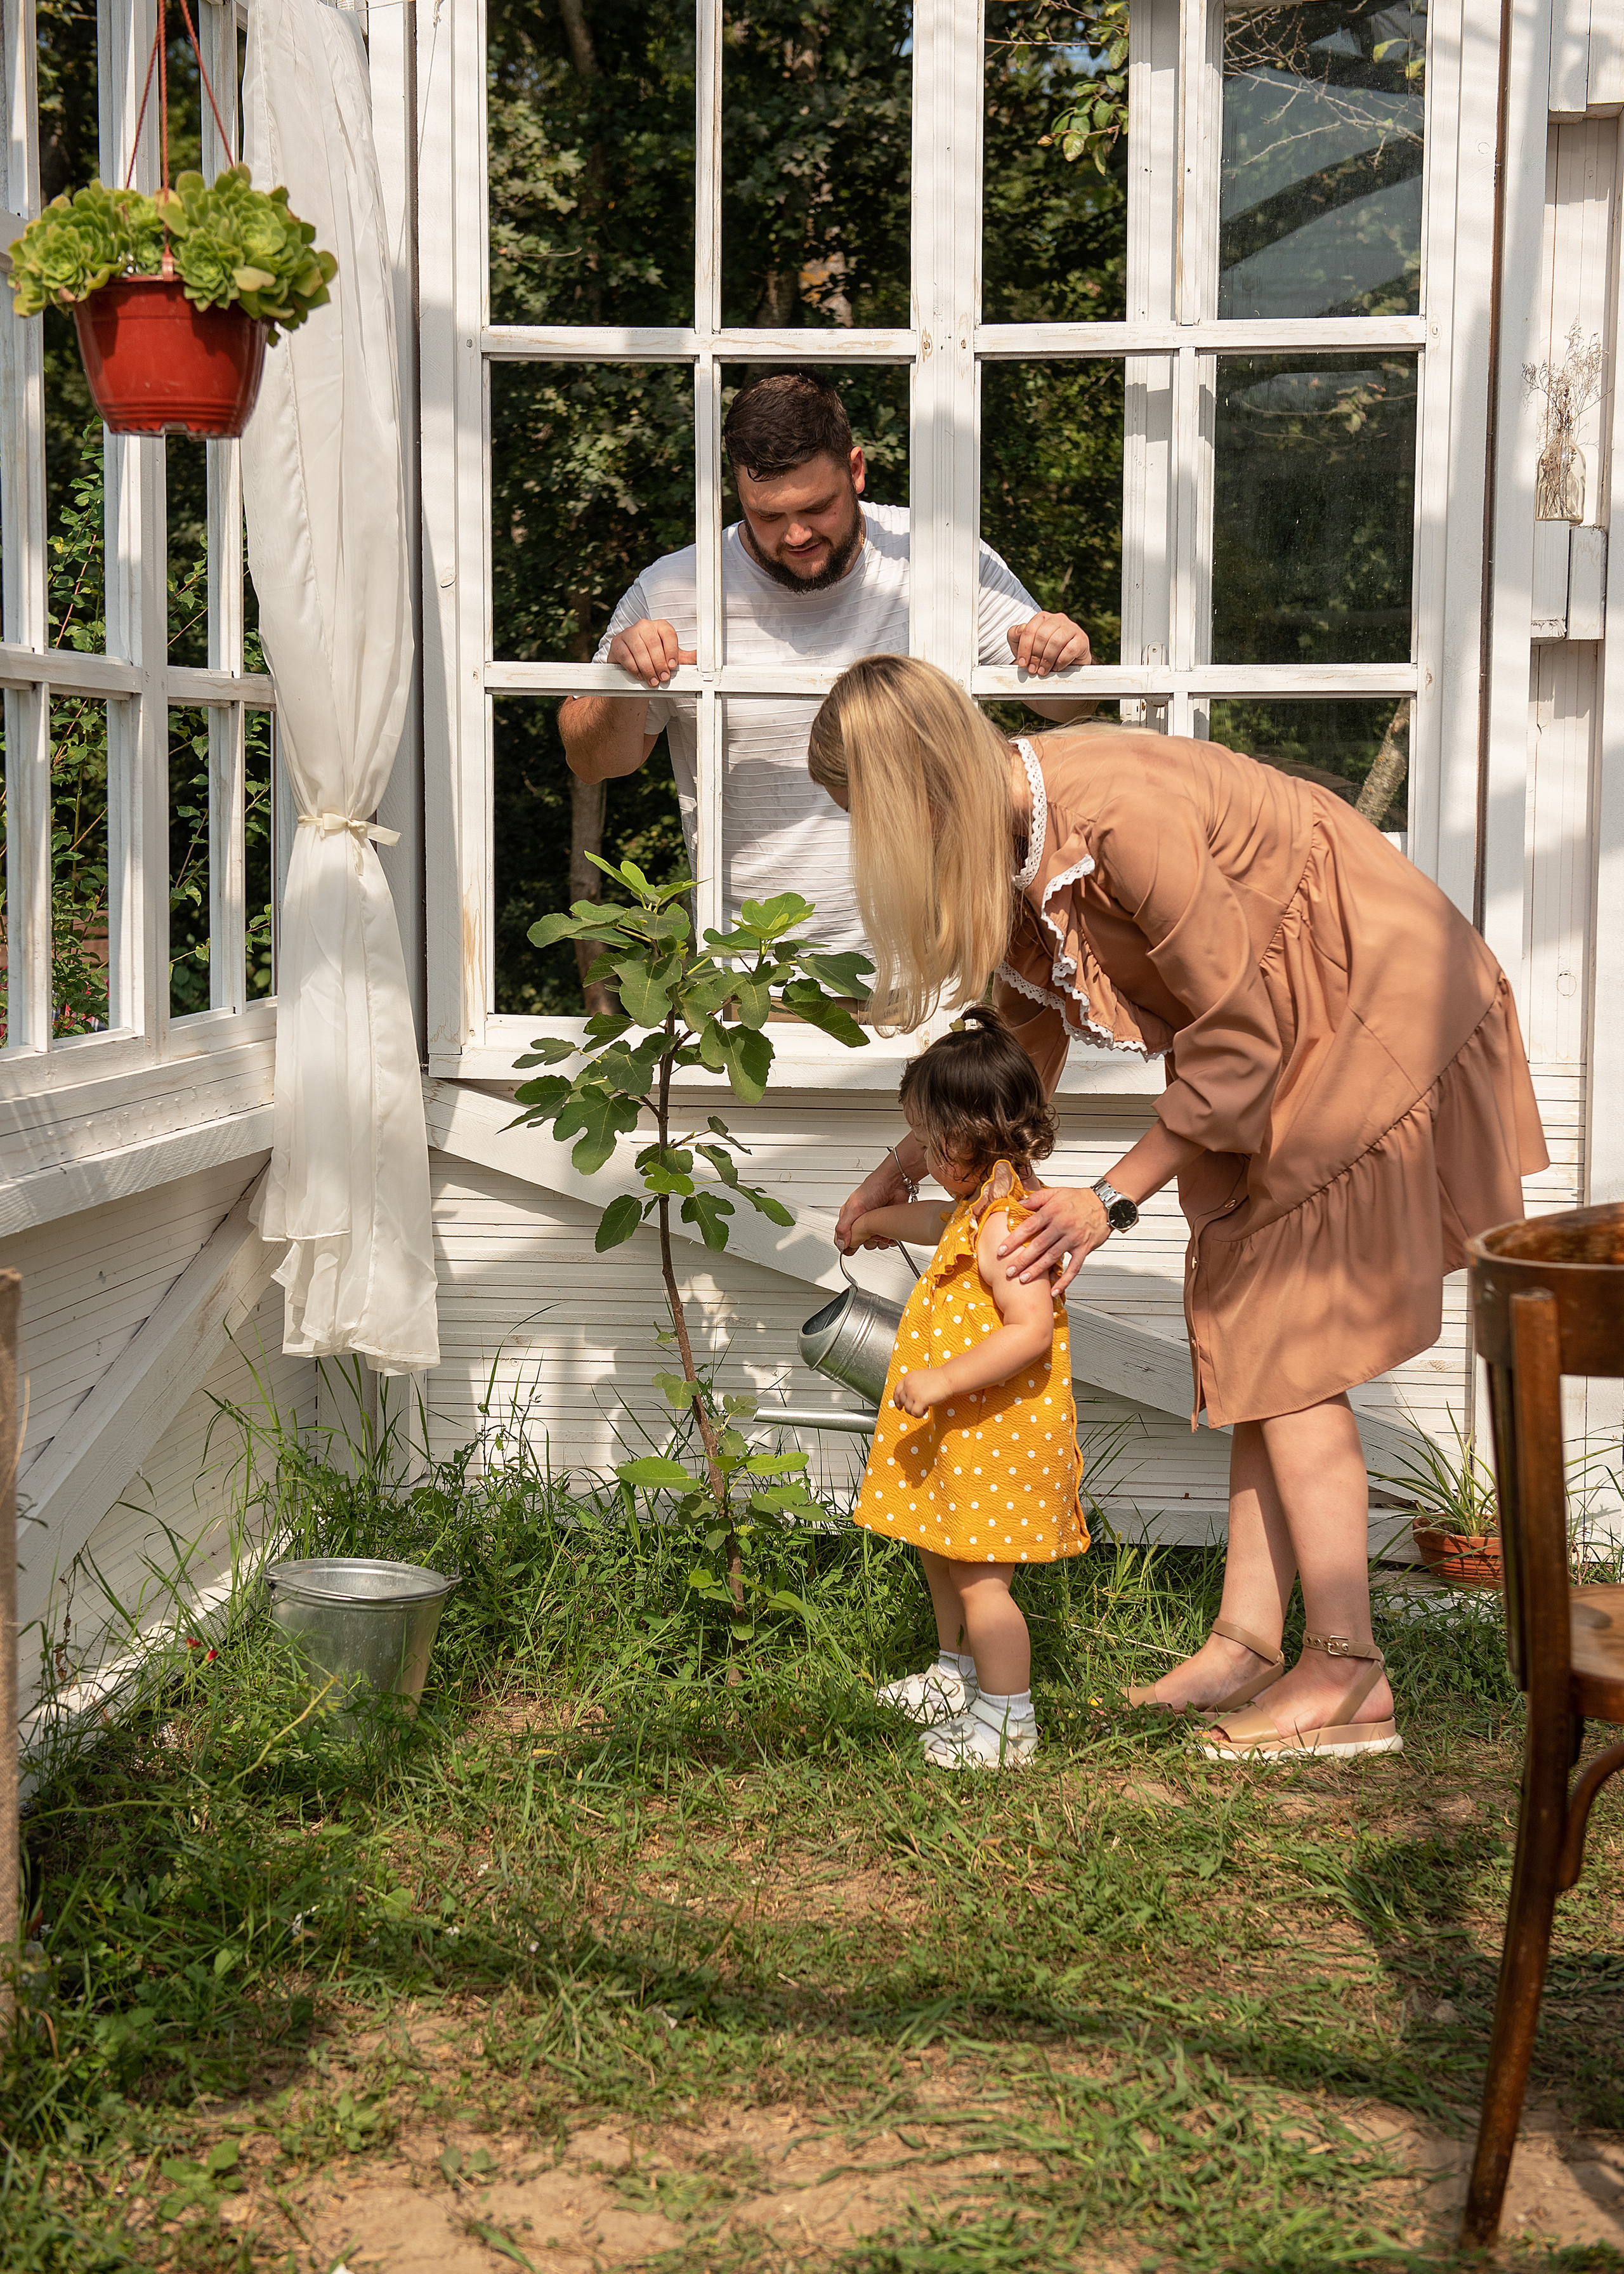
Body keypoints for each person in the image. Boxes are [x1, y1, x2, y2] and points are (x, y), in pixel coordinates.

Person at [812, 655, 1549, 1763]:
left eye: (870, 820)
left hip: (1362, 1001)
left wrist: (1112, 1196)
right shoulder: (1020, 843)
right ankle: (1250, 1641)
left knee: (1296, 1341)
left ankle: (1349, 1673)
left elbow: (1242, 1034)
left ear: (920, 791)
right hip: (1285, 1028)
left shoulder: (1117, 823)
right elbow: (1026, 1038)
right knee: (1263, 1333)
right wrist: (908, 1163)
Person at [558, 369, 1095, 956]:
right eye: (766, 516)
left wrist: (1061, 650)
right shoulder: (676, 588)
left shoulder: (938, 557)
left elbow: (1066, 705)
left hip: (946, 965)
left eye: (818, 507)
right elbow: (591, 761)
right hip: (758, 976)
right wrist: (622, 682)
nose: (794, 534)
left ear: (857, 469)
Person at [845, 1007, 1089, 1770]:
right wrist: (872, 1217)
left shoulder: (1010, 1223)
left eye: (924, 1137)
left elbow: (1028, 1331)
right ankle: (956, 1679)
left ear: (959, 1142)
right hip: (968, 1432)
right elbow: (930, 1221)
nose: (918, 1150)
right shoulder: (978, 1204)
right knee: (942, 1553)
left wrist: (944, 1377)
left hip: (1000, 1435)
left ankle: (1010, 1719)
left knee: (984, 1582)